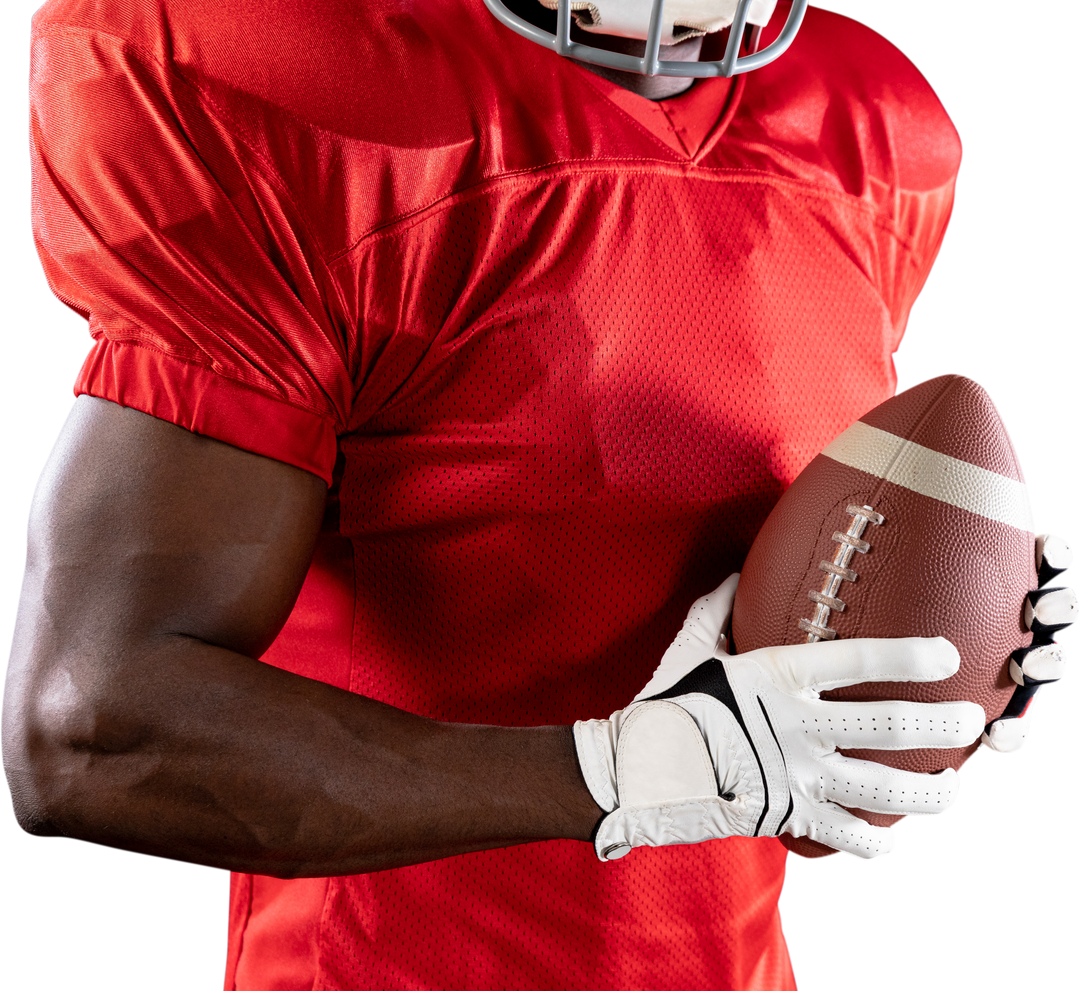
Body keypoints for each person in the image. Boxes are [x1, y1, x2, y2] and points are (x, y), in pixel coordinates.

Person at [6, 1, 1074, 987]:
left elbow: (743, 685)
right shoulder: (314, 100)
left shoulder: (873, 134)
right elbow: (96, 726)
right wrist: (625, 768)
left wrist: (922, 676)